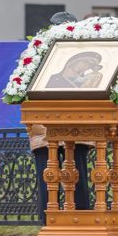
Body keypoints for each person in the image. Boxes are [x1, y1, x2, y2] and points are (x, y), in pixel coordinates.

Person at [29, 11, 91, 223]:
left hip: (77, 123)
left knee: (78, 175)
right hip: (45, 125)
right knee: (47, 176)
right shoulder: (38, 52)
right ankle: (48, 222)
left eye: (67, 28)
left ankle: (80, 220)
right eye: (59, 28)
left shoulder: (86, 55)